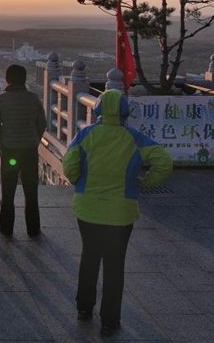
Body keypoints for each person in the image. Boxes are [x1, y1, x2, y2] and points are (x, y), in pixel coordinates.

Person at [63, 89, 172, 337]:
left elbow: (69, 164)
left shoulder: (85, 135)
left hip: (88, 207)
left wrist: (78, 181)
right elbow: (164, 162)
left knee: (89, 256)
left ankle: (83, 309)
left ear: (98, 110)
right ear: (125, 111)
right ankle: (110, 321)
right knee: (114, 264)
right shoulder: (134, 138)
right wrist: (143, 182)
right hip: (120, 211)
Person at [0, 64, 47, 237]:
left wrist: (1, 144)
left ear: (7, 79)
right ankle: (33, 228)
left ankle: (6, 227)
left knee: (7, 191)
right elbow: (42, 123)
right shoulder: (34, 98)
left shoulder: (1, 99)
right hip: (29, 150)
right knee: (31, 191)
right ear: (24, 79)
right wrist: (35, 139)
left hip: (9, 150)